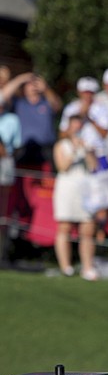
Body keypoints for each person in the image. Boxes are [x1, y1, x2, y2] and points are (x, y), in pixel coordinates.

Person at [52, 114, 98, 280]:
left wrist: (86, 151)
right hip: (66, 189)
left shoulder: (88, 146)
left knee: (87, 228)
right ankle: (66, 266)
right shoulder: (61, 145)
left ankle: (87, 267)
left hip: (84, 190)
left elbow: (94, 167)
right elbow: (62, 167)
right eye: (74, 125)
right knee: (64, 227)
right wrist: (74, 150)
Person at [0, 98, 22, 264]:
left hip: (5, 164)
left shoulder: (12, 119)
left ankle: (3, 254)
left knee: (4, 211)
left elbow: (14, 147)